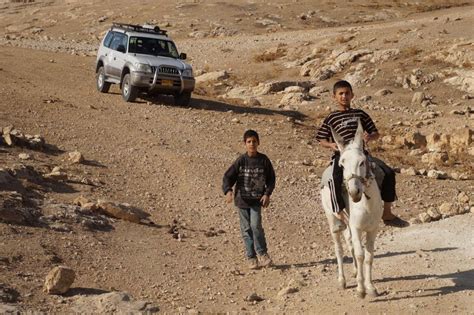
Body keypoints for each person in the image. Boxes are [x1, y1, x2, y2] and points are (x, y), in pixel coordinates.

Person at [316, 80, 408, 228]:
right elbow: (320, 138)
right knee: (334, 177)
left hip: (361, 154)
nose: (344, 96)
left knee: (388, 172)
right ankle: (338, 212)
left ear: (352, 95)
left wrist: (370, 137)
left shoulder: (360, 114)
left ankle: (387, 212)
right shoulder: (331, 118)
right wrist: (331, 144)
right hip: (343, 156)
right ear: (334, 97)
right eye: (341, 94)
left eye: (347, 93)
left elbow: (375, 133)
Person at [222, 130, 276, 269]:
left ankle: (263, 254)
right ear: (244, 144)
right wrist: (228, 190)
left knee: (256, 226)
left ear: (258, 142)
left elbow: (271, 179)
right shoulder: (241, 161)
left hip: (257, 201)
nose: (252, 144)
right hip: (242, 200)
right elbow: (228, 176)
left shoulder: (264, 160)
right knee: (246, 229)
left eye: (254, 141)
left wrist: (267, 194)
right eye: (249, 141)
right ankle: (251, 257)